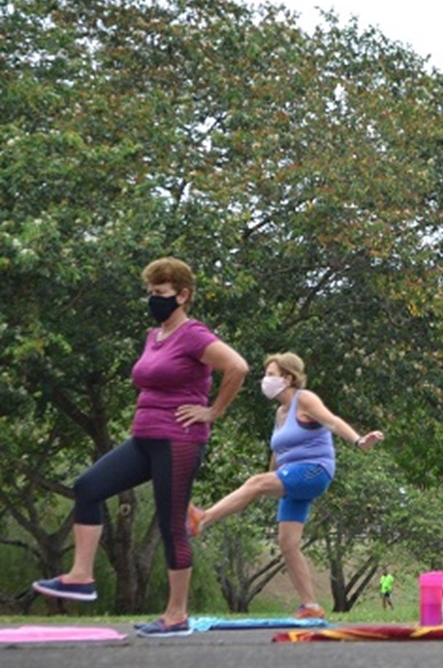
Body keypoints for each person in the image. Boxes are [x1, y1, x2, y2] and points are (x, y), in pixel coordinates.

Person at [32, 257, 250, 637]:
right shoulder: (154, 337)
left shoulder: (195, 335)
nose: (154, 300)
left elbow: (238, 367)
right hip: (144, 438)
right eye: (150, 293)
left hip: (178, 440)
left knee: (171, 524)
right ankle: (81, 576)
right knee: (88, 487)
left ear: (182, 295)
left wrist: (212, 411)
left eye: (161, 294)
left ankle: (176, 614)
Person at [186, 352, 384, 620]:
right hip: (292, 477)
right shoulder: (280, 413)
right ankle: (311, 606)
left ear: (288, 378)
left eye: (270, 375)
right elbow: (277, 454)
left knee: (255, 483)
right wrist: (267, 483)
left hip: (314, 470)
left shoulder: (305, 399)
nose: (264, 380)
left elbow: (332, 421)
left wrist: (359, 441)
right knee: (287, 543)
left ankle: (203, 518)